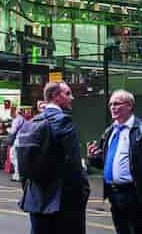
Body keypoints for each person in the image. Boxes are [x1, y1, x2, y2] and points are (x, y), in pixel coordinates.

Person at [86, 90, 142, 234]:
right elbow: (104, 162)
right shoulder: (110, 131)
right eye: (111, 104)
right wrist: (93, 157)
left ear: (129, 106)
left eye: (117, 104)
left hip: (136, 193)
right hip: (114, 194)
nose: (112, 107)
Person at [20, 81, 90, 234]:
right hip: (62, 200)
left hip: (36, 198)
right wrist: (83, 190)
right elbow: (74, 163)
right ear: (55, 96)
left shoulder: (30, 123)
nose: (71, 98)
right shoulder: (63, 121)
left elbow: (23, 167)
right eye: (67, 94)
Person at [8, 106, 26, 182]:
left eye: (11, 112)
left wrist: (8, 130)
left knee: (13, 157)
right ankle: (17, 174)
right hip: (21, 139)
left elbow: (13, 131)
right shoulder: (22, 119)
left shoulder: (17, 119)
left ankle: (17, 175)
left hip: (17, 140)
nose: (10, 114)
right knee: (16, 158)